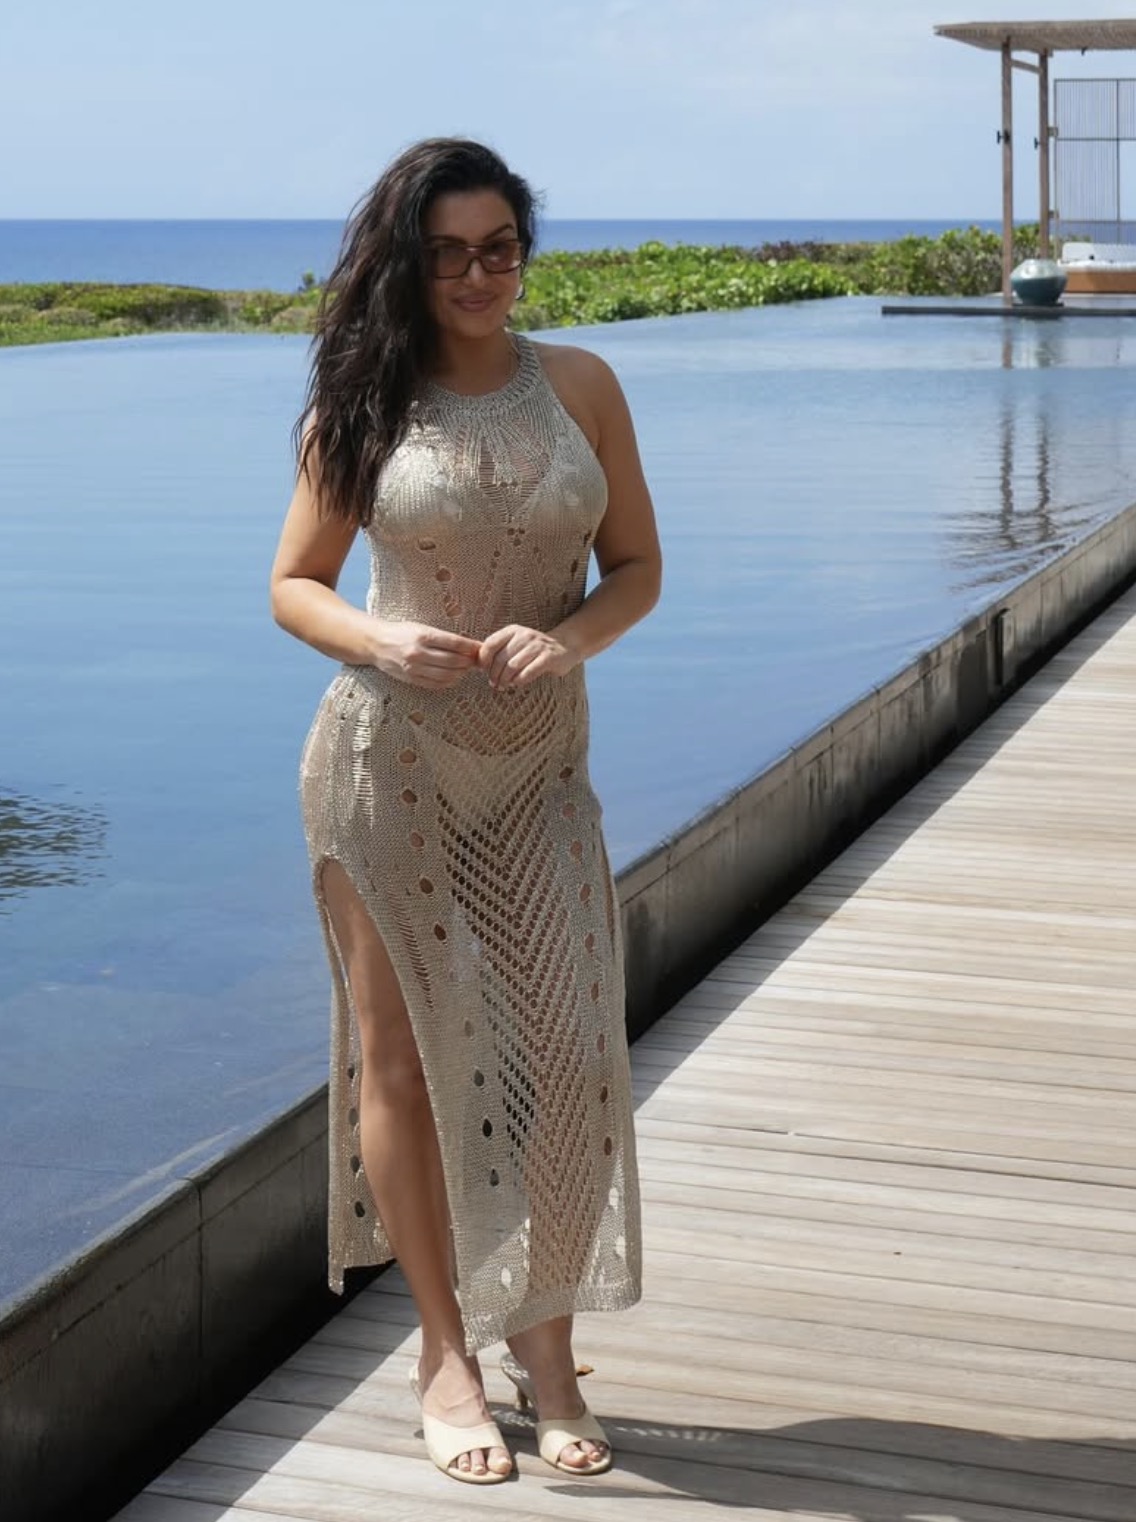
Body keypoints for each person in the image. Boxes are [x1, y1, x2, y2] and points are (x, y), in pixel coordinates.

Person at [270, 137, 661, 1486]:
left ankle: (546, 1350)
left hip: (541, 768)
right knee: (405, 1064)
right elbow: (295, 583)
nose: (478, 275)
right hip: (388, 767)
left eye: (499, 249)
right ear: (409, 265)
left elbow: (637, 567)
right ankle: (447, 1353)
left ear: (524, 254)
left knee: (568, 1054)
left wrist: (574, 638)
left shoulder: (584, 386)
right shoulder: (362, 403)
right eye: (448, 255)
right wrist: (380, 641)